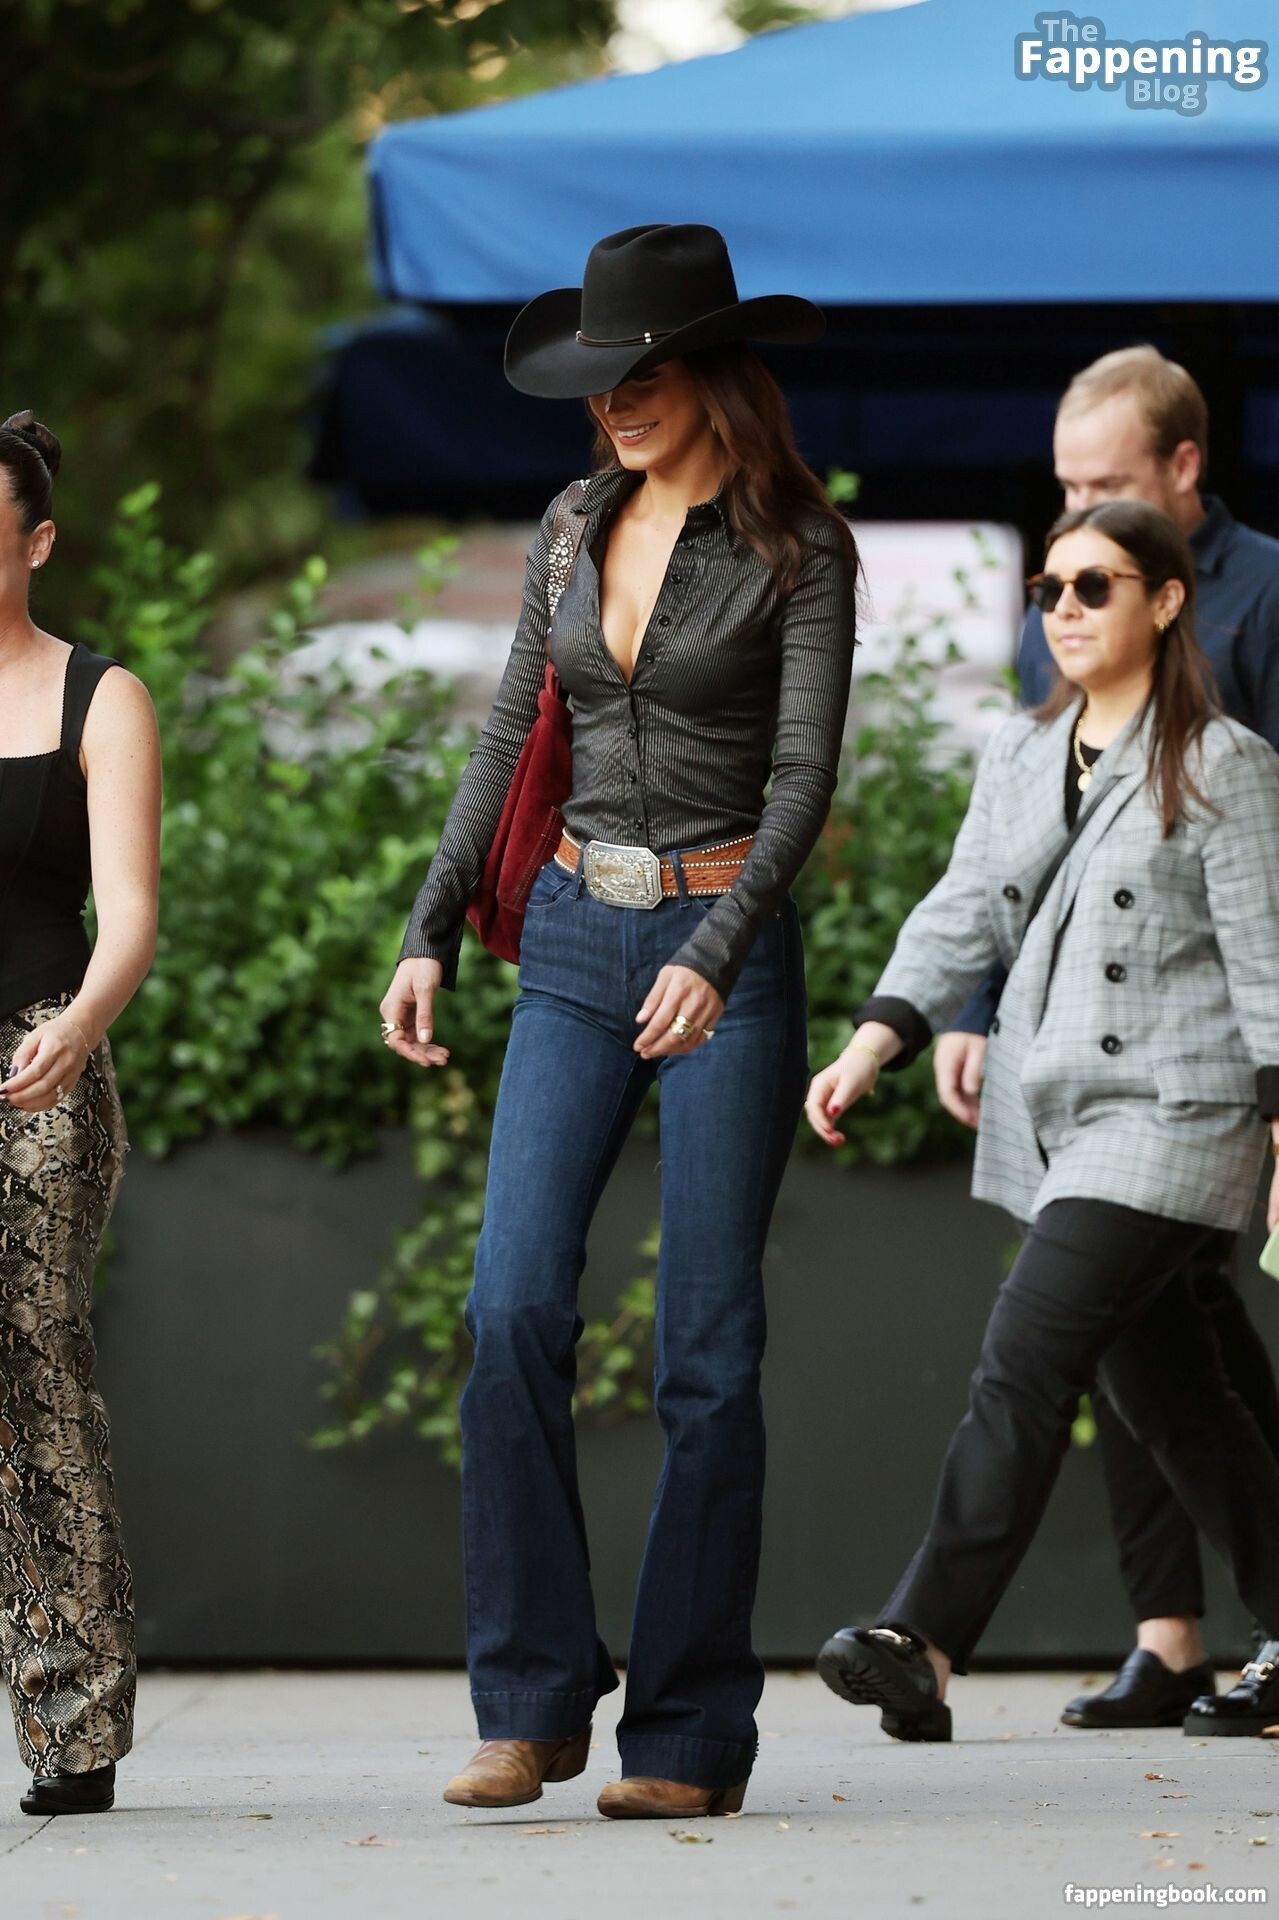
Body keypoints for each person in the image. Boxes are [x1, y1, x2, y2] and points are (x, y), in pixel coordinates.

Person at [379, 224, 858, 1819]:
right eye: (601, 380)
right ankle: (529, 1702)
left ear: (713, 371)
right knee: (509, 1305)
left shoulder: (801, 547)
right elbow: (507, 730)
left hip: (725, 953)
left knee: (704, 1352)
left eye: (642, 373)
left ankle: (686, 1735)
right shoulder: (572, 524)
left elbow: (800, 782)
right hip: (578, 936)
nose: (616, 403)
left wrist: (715, 950)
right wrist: (431, 922)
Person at [808, 500, 1279, 1743]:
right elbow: (965, 903)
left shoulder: (1224, 761)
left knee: (1024, 1358)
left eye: (1094, 586)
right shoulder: (1022, 750)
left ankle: (921, 1637)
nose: (1064, 609)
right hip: (1062, 1115)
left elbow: (1267, 962)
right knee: (1177, 1401)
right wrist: (874, 1040)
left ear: (1164, 601)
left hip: (1178, 1114)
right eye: (1048, 590)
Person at [936, 347, 1279, 1730]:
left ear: (1183, 468)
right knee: (1152, 1340)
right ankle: (1168, 1638)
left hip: (1211, 1046)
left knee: (1158, 1337)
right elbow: (1026, 855)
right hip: (1081, 1052)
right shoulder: (1066, 607)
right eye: (1063, 488)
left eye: (1105, 484)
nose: (1074, 519)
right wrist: (973, 1010)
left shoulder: (1267, 595)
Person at [0, 412, 161, 1814]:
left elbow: (132, 916)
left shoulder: (98, 698)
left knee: (29, 1358)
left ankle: (74, 1723)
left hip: (39, 1056)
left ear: (37, 542)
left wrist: (79, 1027)